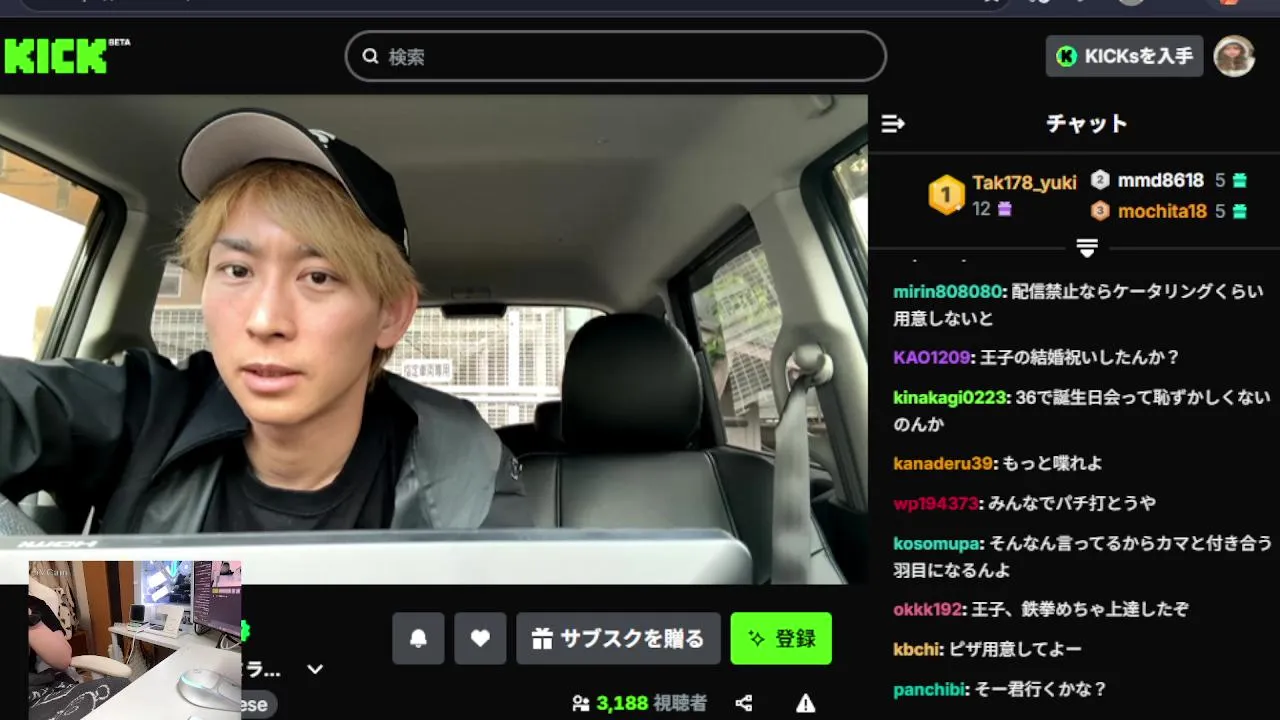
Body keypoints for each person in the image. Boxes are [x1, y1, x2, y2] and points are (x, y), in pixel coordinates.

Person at [0, 108, 531, 533]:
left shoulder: (459, 465)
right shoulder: (146, 409)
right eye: (237, 270)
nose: (264, 319)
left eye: (318, 277)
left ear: (390, 315)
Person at [28, 595, 129, 720]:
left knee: (121, 687)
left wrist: (31, 621)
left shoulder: (34, 605)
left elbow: (63, 659)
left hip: (39, 693)